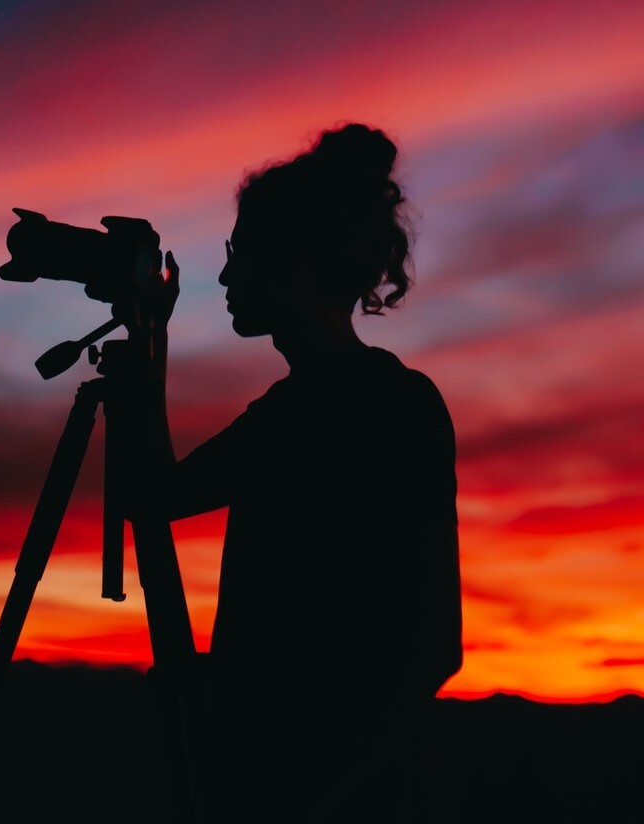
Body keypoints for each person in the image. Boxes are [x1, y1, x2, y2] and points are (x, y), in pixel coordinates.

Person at [129, 122, 462, 822]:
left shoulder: (346, 407)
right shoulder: (335, 404)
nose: (222, 277)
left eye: (240, 254)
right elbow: (158, 498)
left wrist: (301, 782)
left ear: (299, 261)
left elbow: (425, 644)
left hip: (324, 790)